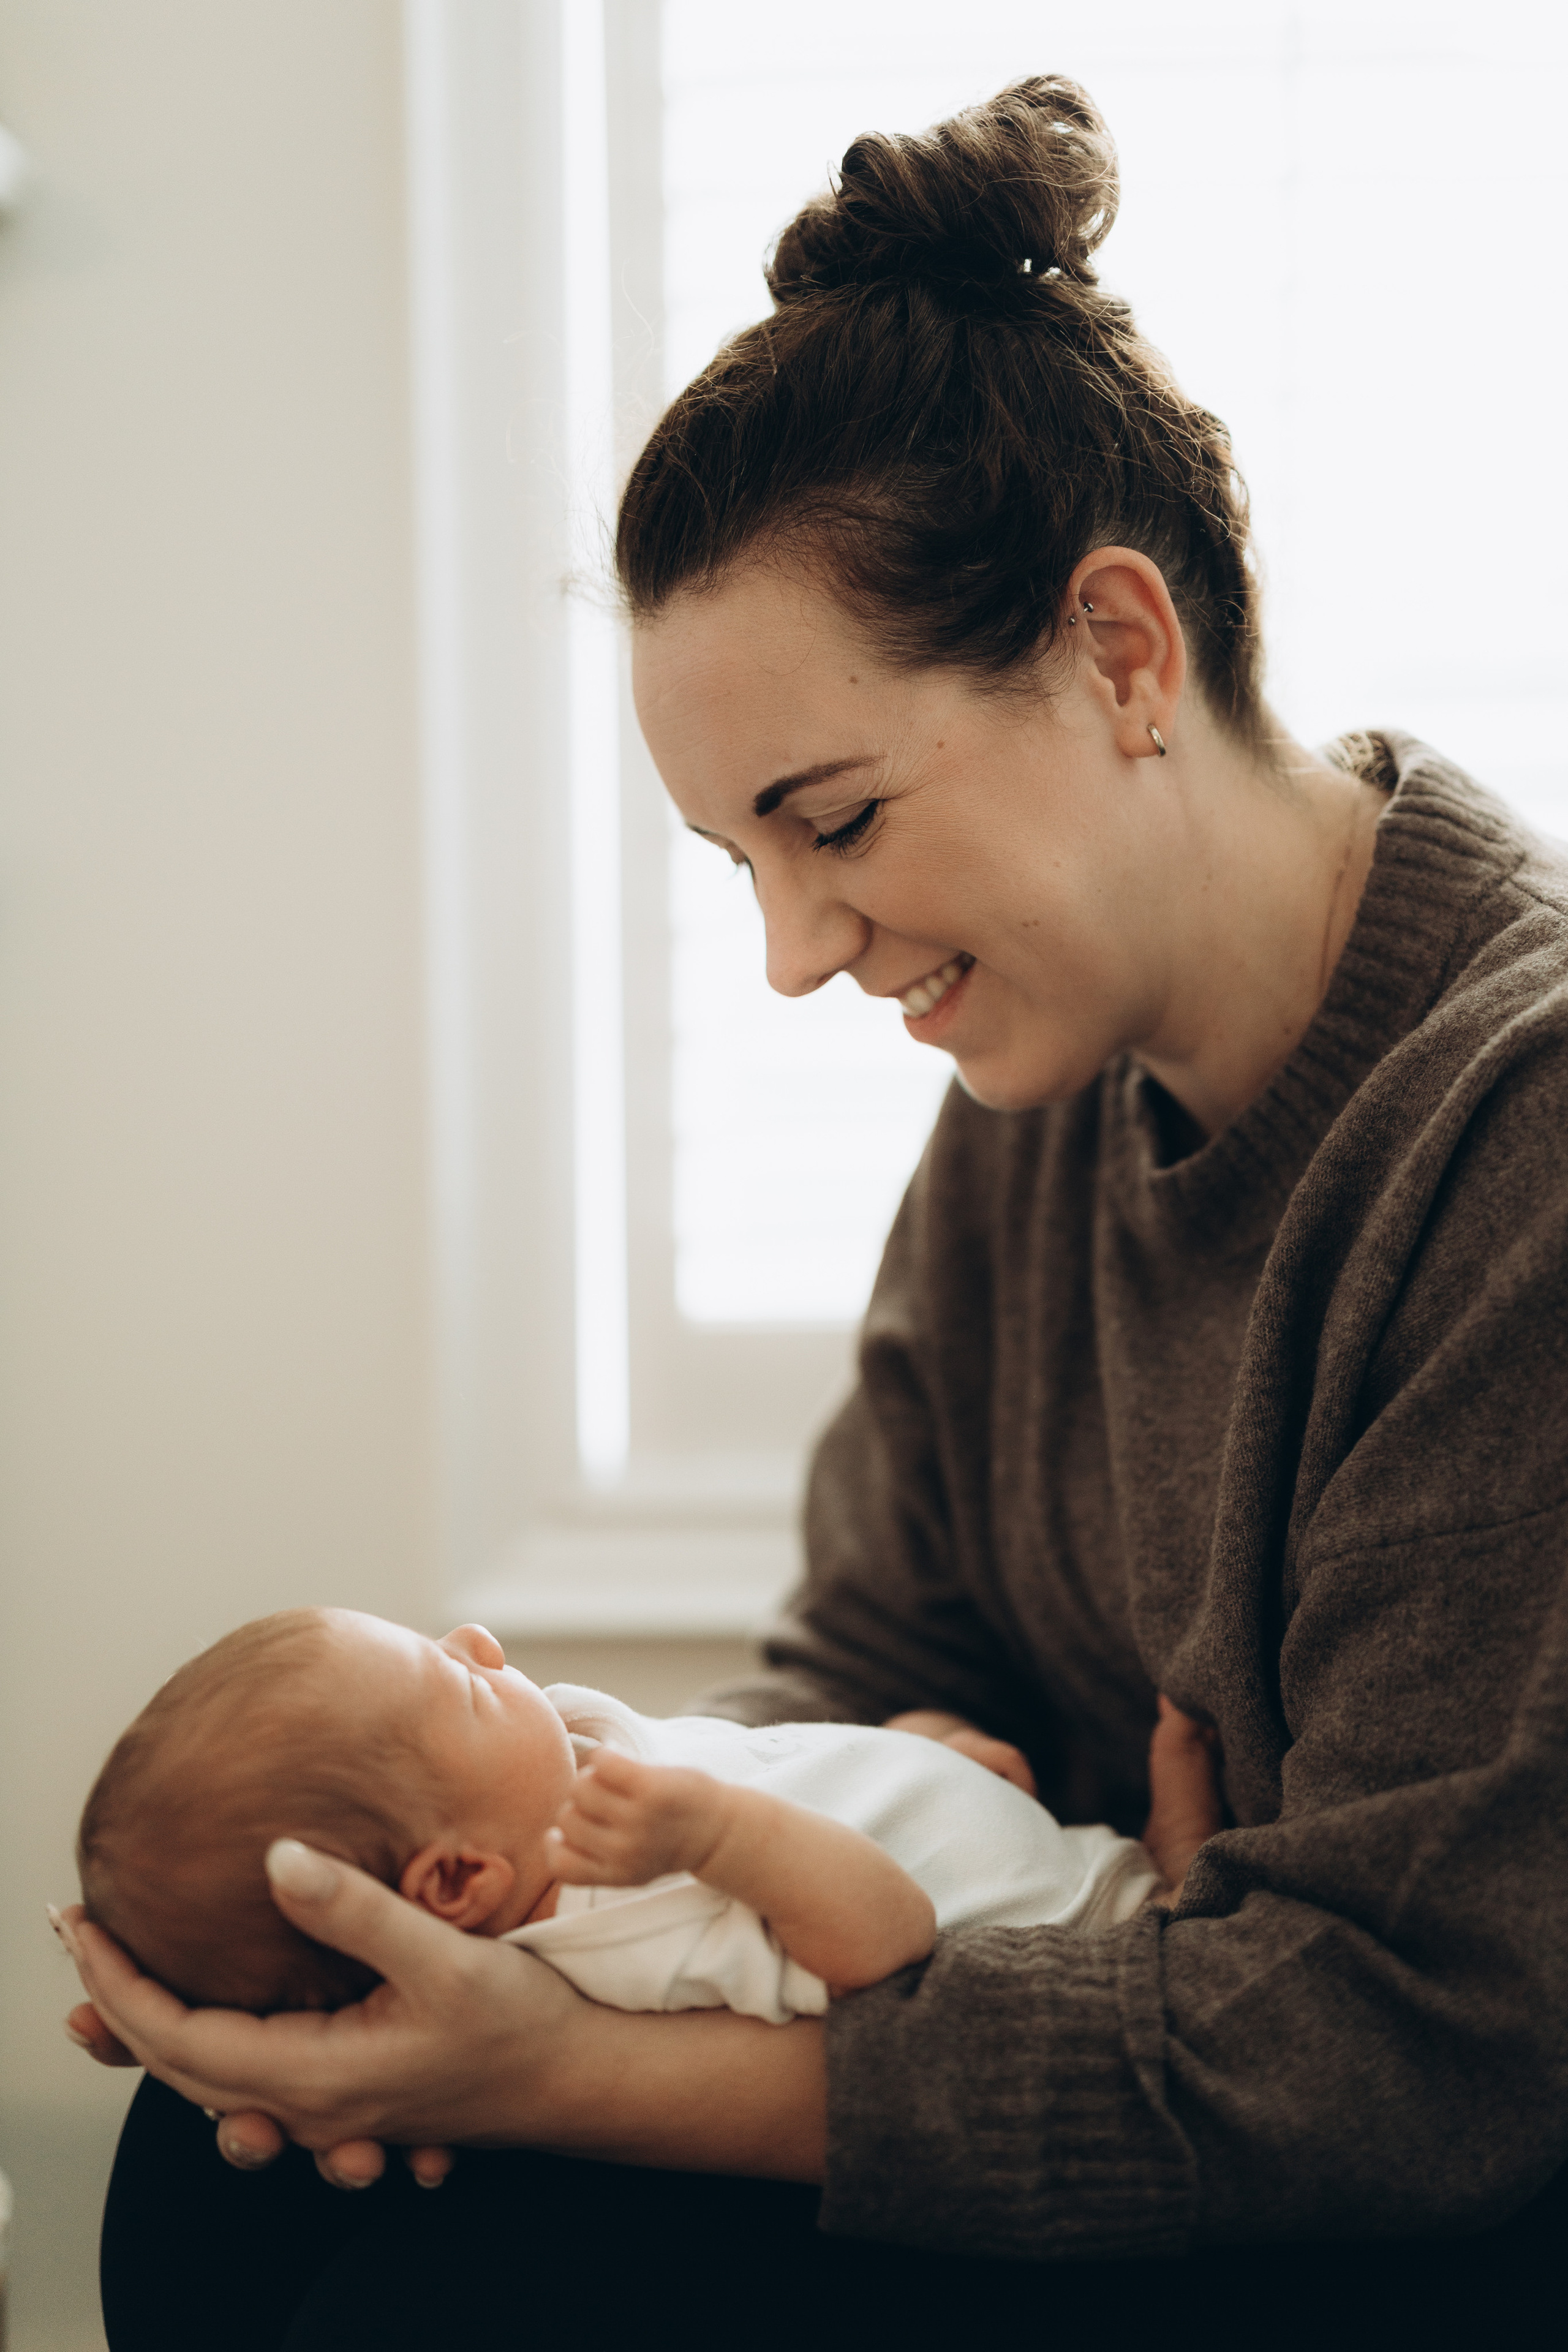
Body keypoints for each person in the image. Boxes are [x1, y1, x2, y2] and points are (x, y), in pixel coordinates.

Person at [59, 70, 1568, 2348]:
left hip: (1390, 2193)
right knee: (212, 2171)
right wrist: (478, 1930)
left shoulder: (1514, 1133)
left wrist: (582, 2066)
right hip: (1046, 1999)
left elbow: (1409, 2062)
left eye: (835, 821)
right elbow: (866, 1672)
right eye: (741, 863)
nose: (790, 952)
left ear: (1122, 654)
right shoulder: (1041, 1074)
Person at [75, 1607, 1213, 2020]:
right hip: (1094, 1948)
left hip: (984, 1828)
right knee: (1180, 1922)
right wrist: (717, 1834)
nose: (479, 1642)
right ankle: (1180, 1880)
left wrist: (906, 1763)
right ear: (458, 1883)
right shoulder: (625, 1935)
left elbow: (759, 1759)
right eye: (460, 1682)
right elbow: (884, 1944)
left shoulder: (555, 1792)